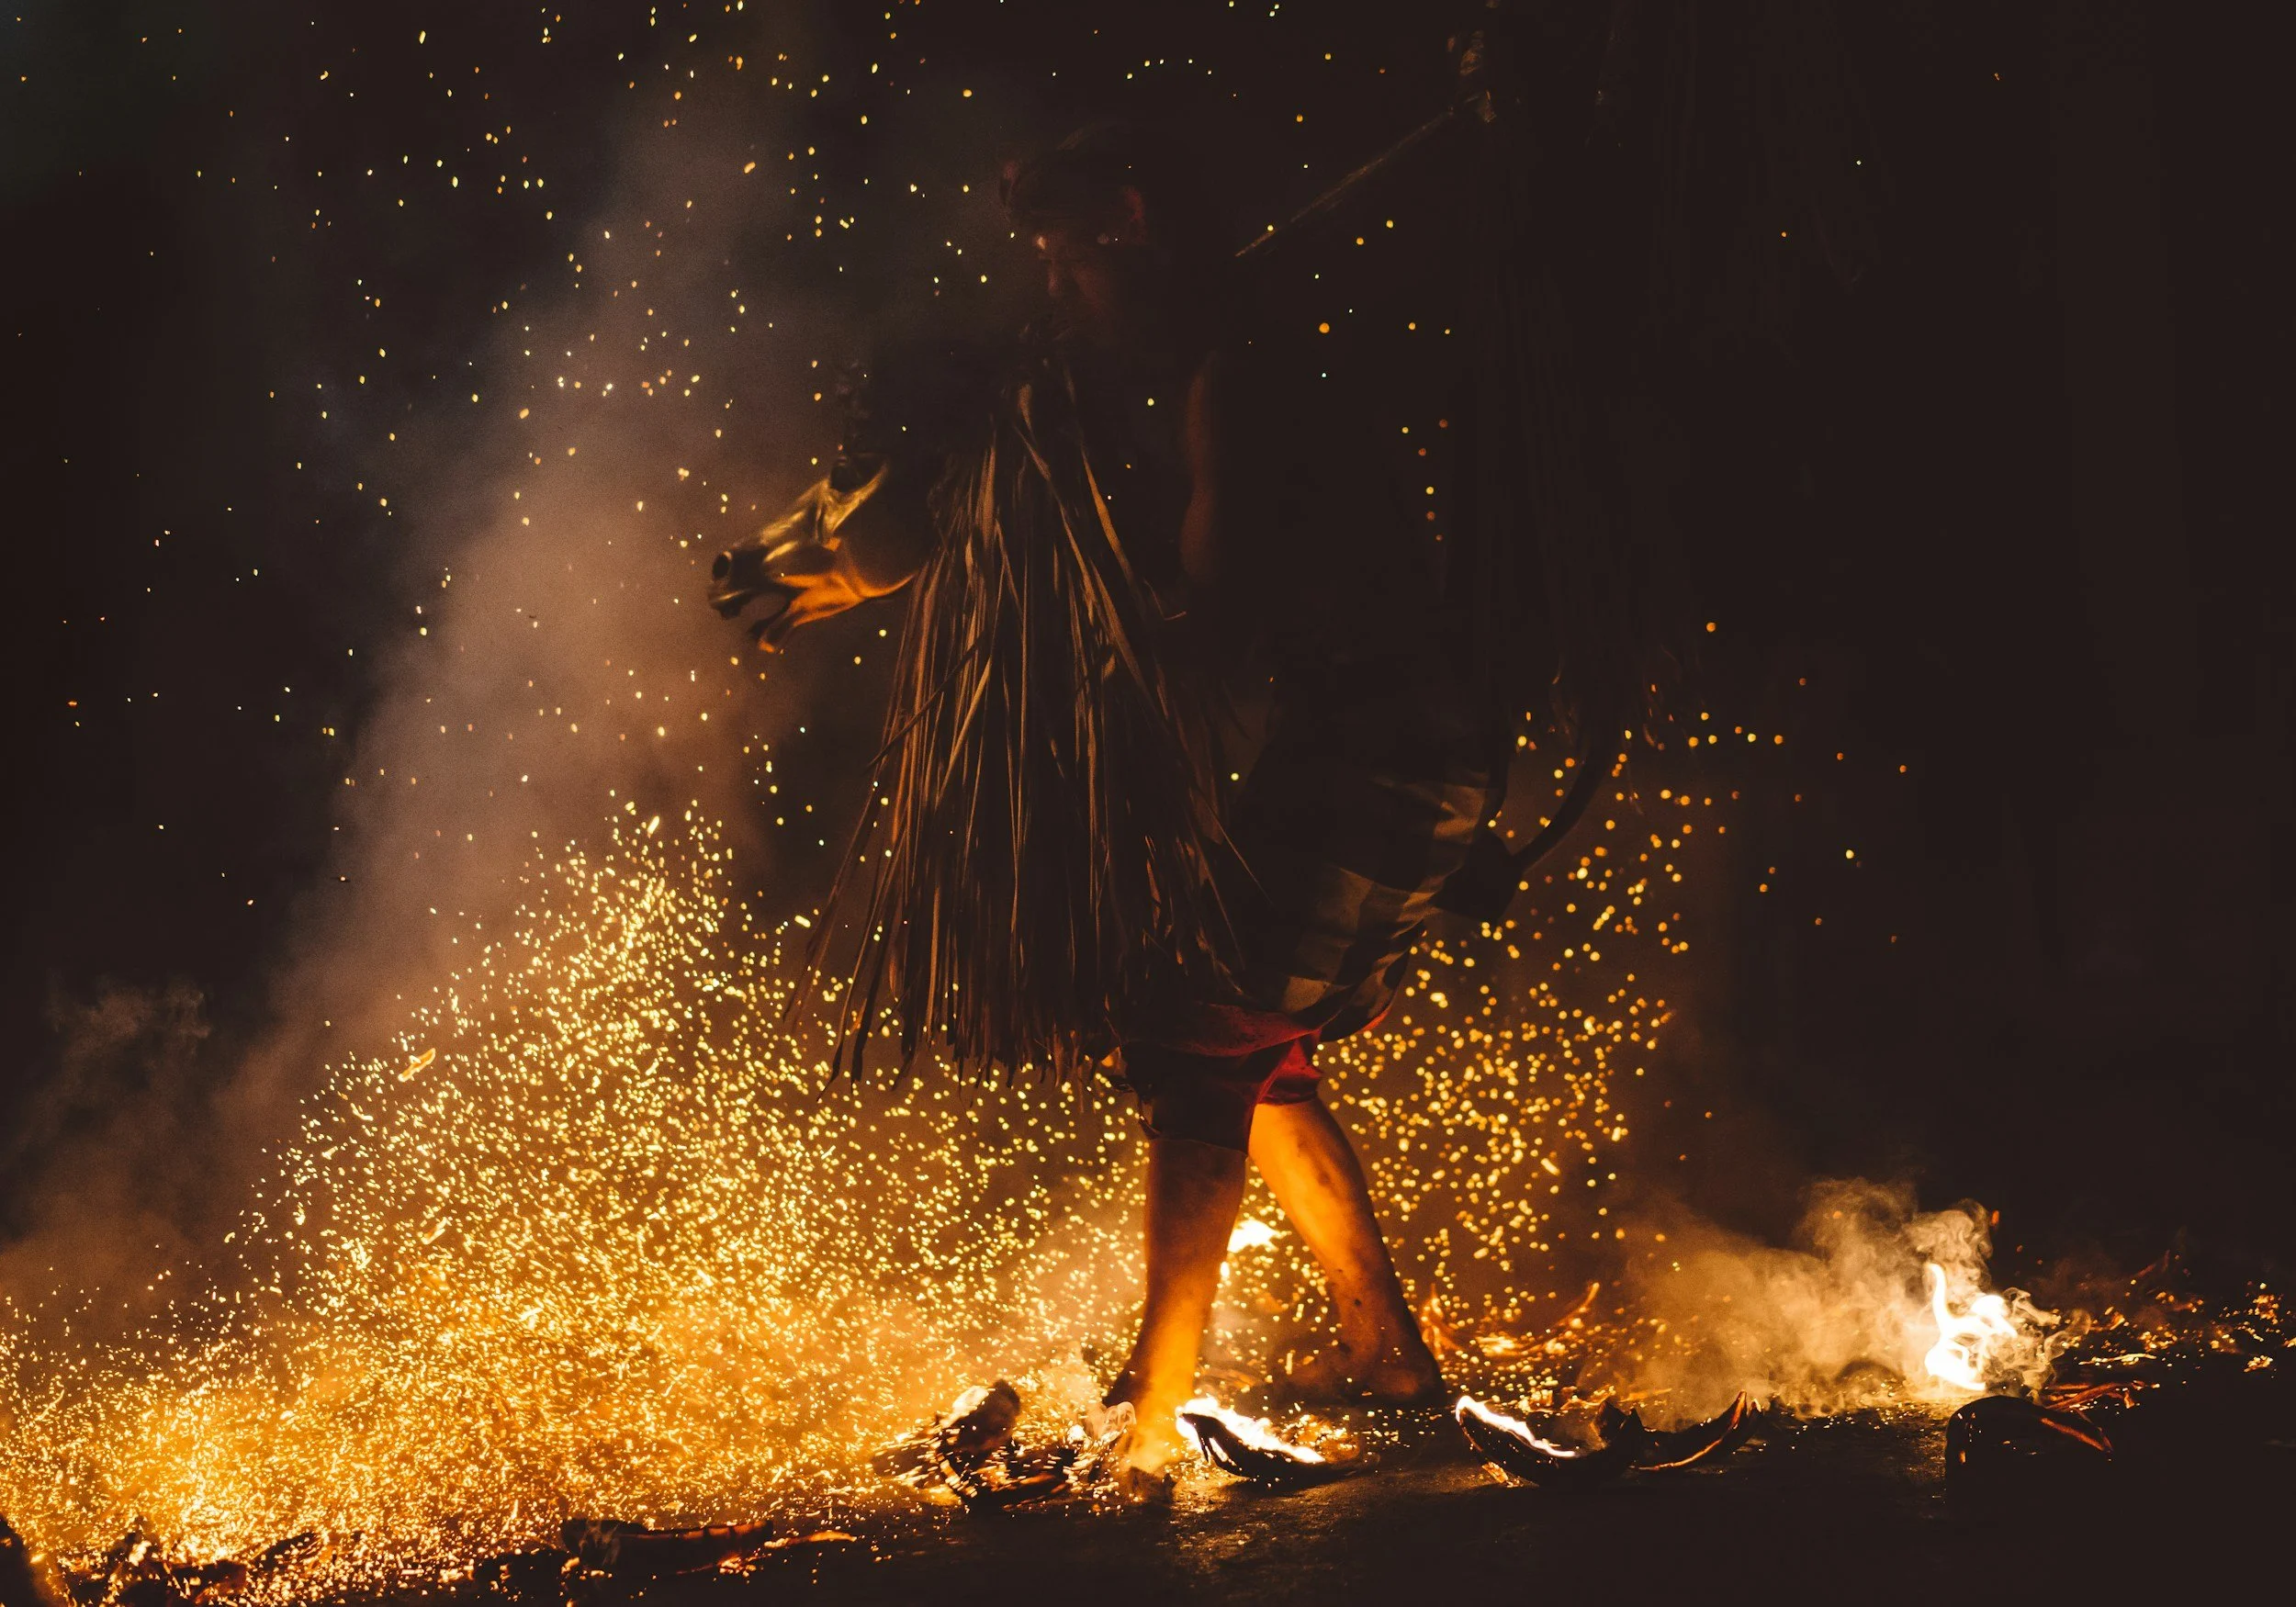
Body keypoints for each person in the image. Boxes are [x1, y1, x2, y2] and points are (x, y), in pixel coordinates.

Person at [713, 124, 1502, 1470]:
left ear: (1132, 230)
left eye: (1066, 257)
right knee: (1257, 1046)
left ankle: (1156, 1414)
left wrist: (1067, 593)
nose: (1054, 288)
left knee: (1198, 1025)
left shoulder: (1239, 380)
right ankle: (1389, 1353)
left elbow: (1221, 605)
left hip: (1394, 739)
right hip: (1381, 732)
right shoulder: (1211, 366)